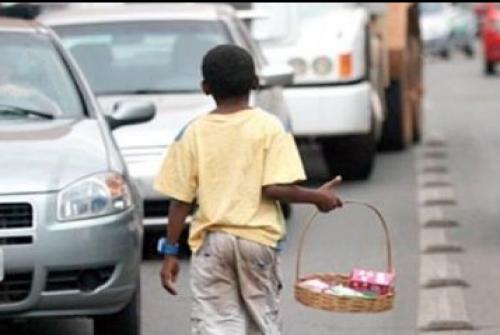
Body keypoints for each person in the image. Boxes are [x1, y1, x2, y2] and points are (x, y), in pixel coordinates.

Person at [154, 44, 343, 335]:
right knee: (261, 321)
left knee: (216, 323)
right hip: (257, 241)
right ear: (255, 83)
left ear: (205, 88)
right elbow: (275, 188)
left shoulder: (192, 132)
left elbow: (180, 201)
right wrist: (316, 197)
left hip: (212, 243)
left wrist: (169, 252)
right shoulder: (270, 127)